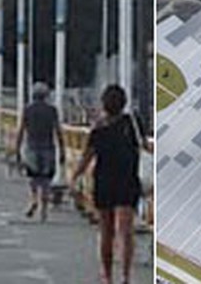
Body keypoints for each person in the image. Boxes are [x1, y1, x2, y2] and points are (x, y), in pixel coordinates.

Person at [71, 84, 151, 284]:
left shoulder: (98, 129)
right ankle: (125, 276)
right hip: (127, 181)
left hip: (104, 182)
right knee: (125, 231)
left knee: (106, 231)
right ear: (123, 103)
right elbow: (146, 145)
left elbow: (87, 157)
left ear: (104, 104)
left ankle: (107, 276)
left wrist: (74, 177)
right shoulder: (133, 123)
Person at [14, 82, 64, 222]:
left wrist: (17, 149)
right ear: (46, 95)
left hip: (32, 146)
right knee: (46, 180)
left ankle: (34, 198)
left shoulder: (27, 110)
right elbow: (58, 131)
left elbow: (21, 130)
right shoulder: (52, 110)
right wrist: (62, 150)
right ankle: (44, 210)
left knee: (33, 177)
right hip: (48, 147)